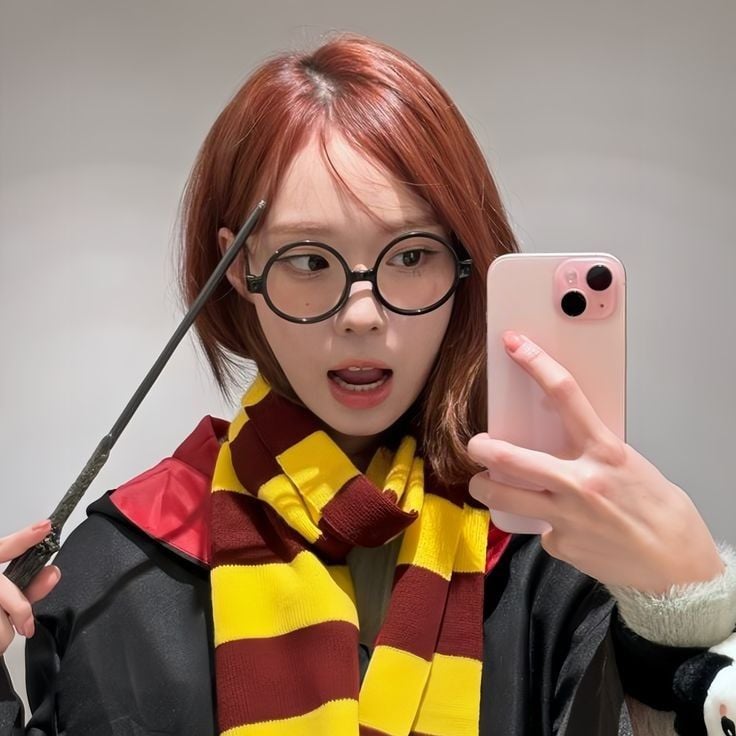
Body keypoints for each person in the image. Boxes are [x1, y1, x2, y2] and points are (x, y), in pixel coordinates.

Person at [0, 33, 734, 736]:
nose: (361, 314)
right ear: (240, 268)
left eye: (411, 255)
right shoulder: (115, 570)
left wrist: (688, 610)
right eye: (309, 260)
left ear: (464, 266)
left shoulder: (556, 558)